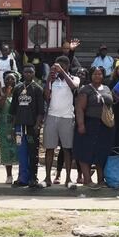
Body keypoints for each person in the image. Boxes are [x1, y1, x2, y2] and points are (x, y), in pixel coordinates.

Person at [73, 66, 115, 190]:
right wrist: (81, 124)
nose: (98, 76)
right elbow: (79, 108)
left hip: (104, 125)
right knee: (85, 151)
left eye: (100, 74)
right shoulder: (86, 90)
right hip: (89, 123)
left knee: (101, 152)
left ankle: (101, 179)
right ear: (90, 76)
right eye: (95, 74)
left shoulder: (106, 88)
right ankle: (87, 179)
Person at [43, 55, 79, 188]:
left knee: (67, 149)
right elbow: (46, 96)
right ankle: (47, 178)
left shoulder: (74, 78)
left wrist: (62, 72)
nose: (58, 69)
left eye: (61, 67)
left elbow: (74, 87)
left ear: (67, 66)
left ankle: (68, 178)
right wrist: (49, 78)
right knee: (49, 148)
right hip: (52, 116)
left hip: (67, 117)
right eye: (57, 67)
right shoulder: (53, 80)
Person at [0, 73, 18, 185]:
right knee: (6, 150)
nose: (10, 80)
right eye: (7, 79)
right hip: (4, 126)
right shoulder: (0, 92)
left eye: (12, 79)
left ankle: (21, 175)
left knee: (19, 150)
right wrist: (6, 94)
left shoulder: (20, 92)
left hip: (17, 125)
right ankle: (9, 175)